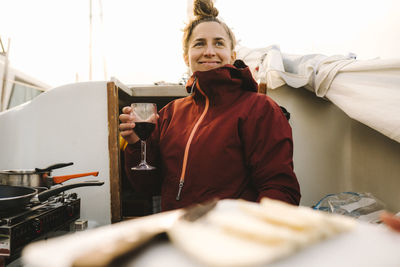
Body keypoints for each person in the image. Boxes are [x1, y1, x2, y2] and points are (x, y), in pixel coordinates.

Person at [119, 0, 300, 212]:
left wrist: (246, 233)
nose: (209, 51)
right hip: (179, 234)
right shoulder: (169, 113)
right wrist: (134, 144)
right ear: (186, 57)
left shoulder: (260, 109)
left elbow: (280, 189)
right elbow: (147, 187)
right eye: (199, 43)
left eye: (219, 43)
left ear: (232, 55)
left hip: (229, 237)